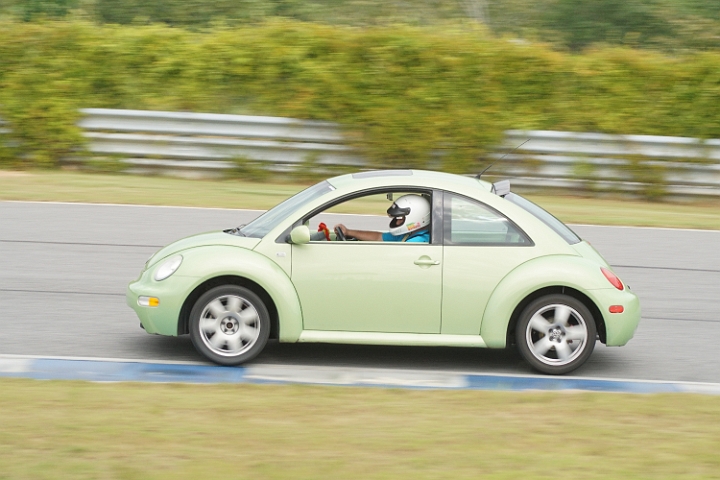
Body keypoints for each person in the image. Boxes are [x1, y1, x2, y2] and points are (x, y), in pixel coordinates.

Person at [333, 194, 431, 243]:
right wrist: (348, 232)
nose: (397, 222)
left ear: (416, 218)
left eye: (400, 218)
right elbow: (378, 237)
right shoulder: (408, 234)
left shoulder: (417, 241)